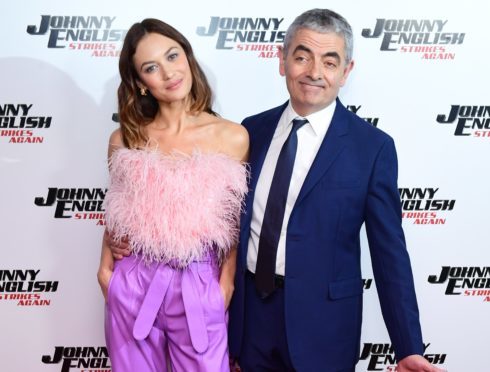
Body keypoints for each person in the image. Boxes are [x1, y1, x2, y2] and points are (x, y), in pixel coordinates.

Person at [224, 9, 444, 372]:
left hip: (324, 329)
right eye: (302, 57)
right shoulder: (251, 131)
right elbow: (227, 223)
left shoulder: (371, 148)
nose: (314, 72)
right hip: (250, 325)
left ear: (346, 71)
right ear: (282, 61)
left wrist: (408, 346)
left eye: (330, 61)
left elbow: (390, 254)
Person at [97, 18, 248, 372]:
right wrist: (107, 271)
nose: (168, 73)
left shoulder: (232, 137)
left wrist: (223, 287)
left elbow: (232, 223)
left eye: (173, 56)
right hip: (135, 281)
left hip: (198, 283)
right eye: (152, 67)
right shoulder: (125, 140)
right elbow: (117, 210)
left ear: (188, 57)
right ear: (140, 82)